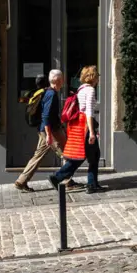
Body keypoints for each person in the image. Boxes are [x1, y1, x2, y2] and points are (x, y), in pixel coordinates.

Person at [49, 65, 107, 195]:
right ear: (93, 77)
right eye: (97, 75)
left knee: (90, 155)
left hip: (78, 126)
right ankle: (59, 177)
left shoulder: (81, 89)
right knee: (89, 156)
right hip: (85, 126)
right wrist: (92, 132)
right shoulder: (90, 90)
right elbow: (89, 112)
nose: (98, 78)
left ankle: (92, 184)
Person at [14, 69, 65, 192]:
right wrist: (48, 135)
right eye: (62, 79)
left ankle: (21, 181)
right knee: (66, 152)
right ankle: (67, 181)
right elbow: (46, 116)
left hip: (45, 129)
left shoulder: (48, 92)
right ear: (57, 80)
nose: (63, 81)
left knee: (38, 155)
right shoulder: (51, 94)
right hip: (50, 131)